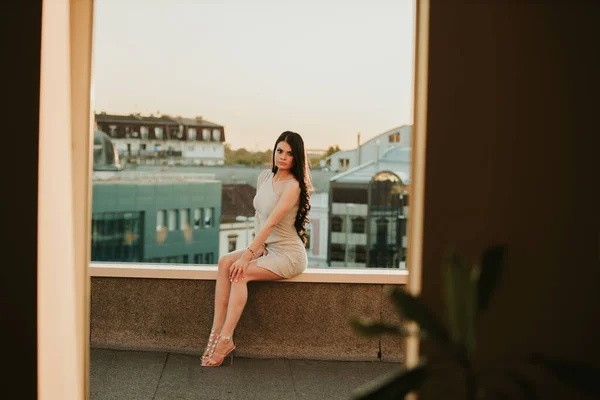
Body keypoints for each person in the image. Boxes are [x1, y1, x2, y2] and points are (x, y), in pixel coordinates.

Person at [201, 131, 313, 367]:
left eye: (289, 154)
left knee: (241, 273)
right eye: (279, 150)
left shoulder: (293, 186)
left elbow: (272, 222)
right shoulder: (264, 177)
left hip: (288, 254)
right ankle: (215, 331)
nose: (282, 157)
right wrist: (258, 247)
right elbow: (259, 218)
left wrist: (248, 256)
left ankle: (225, 340)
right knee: (224, 262)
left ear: (297, 158)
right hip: (267, 248)